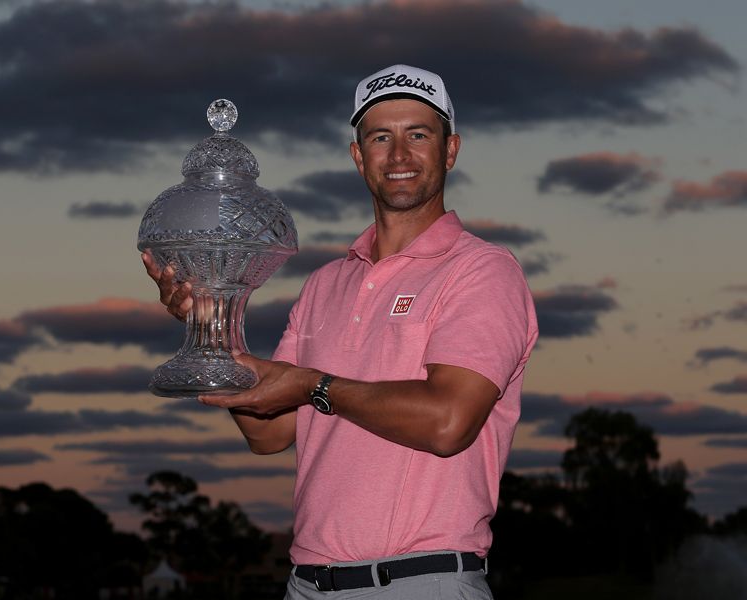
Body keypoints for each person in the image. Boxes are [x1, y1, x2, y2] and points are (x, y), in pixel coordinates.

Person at [143, 64, 538, 599]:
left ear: (450, 150)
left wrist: (313, 386)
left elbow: (449, 422)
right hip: (306, 585)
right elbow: (268, 433)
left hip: (423, 580)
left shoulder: (483, 271)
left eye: (418, 135)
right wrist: (209, 325)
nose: (399, 155)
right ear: (359, 156)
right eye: (381, 137)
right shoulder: (325, 284)